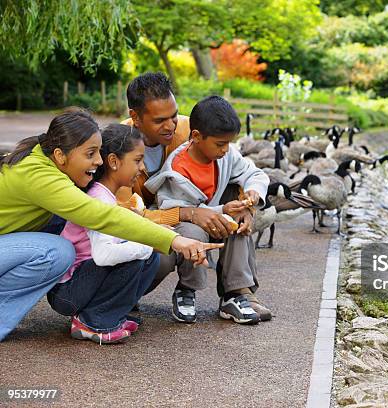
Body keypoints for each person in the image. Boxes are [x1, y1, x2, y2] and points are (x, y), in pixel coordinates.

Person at [0, 109, 217, 342]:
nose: (99, 161)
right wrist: (174, 240)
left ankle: (103, 316)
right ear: (60, 155)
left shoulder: (48, 164)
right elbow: (104, 216)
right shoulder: (40, 176)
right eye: (91, 153)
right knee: (58, 252)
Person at [121, 72, 272, 323]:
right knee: (163, 256)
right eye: (160, 120)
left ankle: (238, 292)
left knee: (236, 212)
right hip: (149, 220)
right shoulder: (119, 145)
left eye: (173, 115)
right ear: (135, 117)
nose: (171, 126)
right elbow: (124, 214)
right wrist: (190, 213)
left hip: (201, 208)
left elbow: (242, 167)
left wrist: (247, 203)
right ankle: (125, 292)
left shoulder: (191, 129)